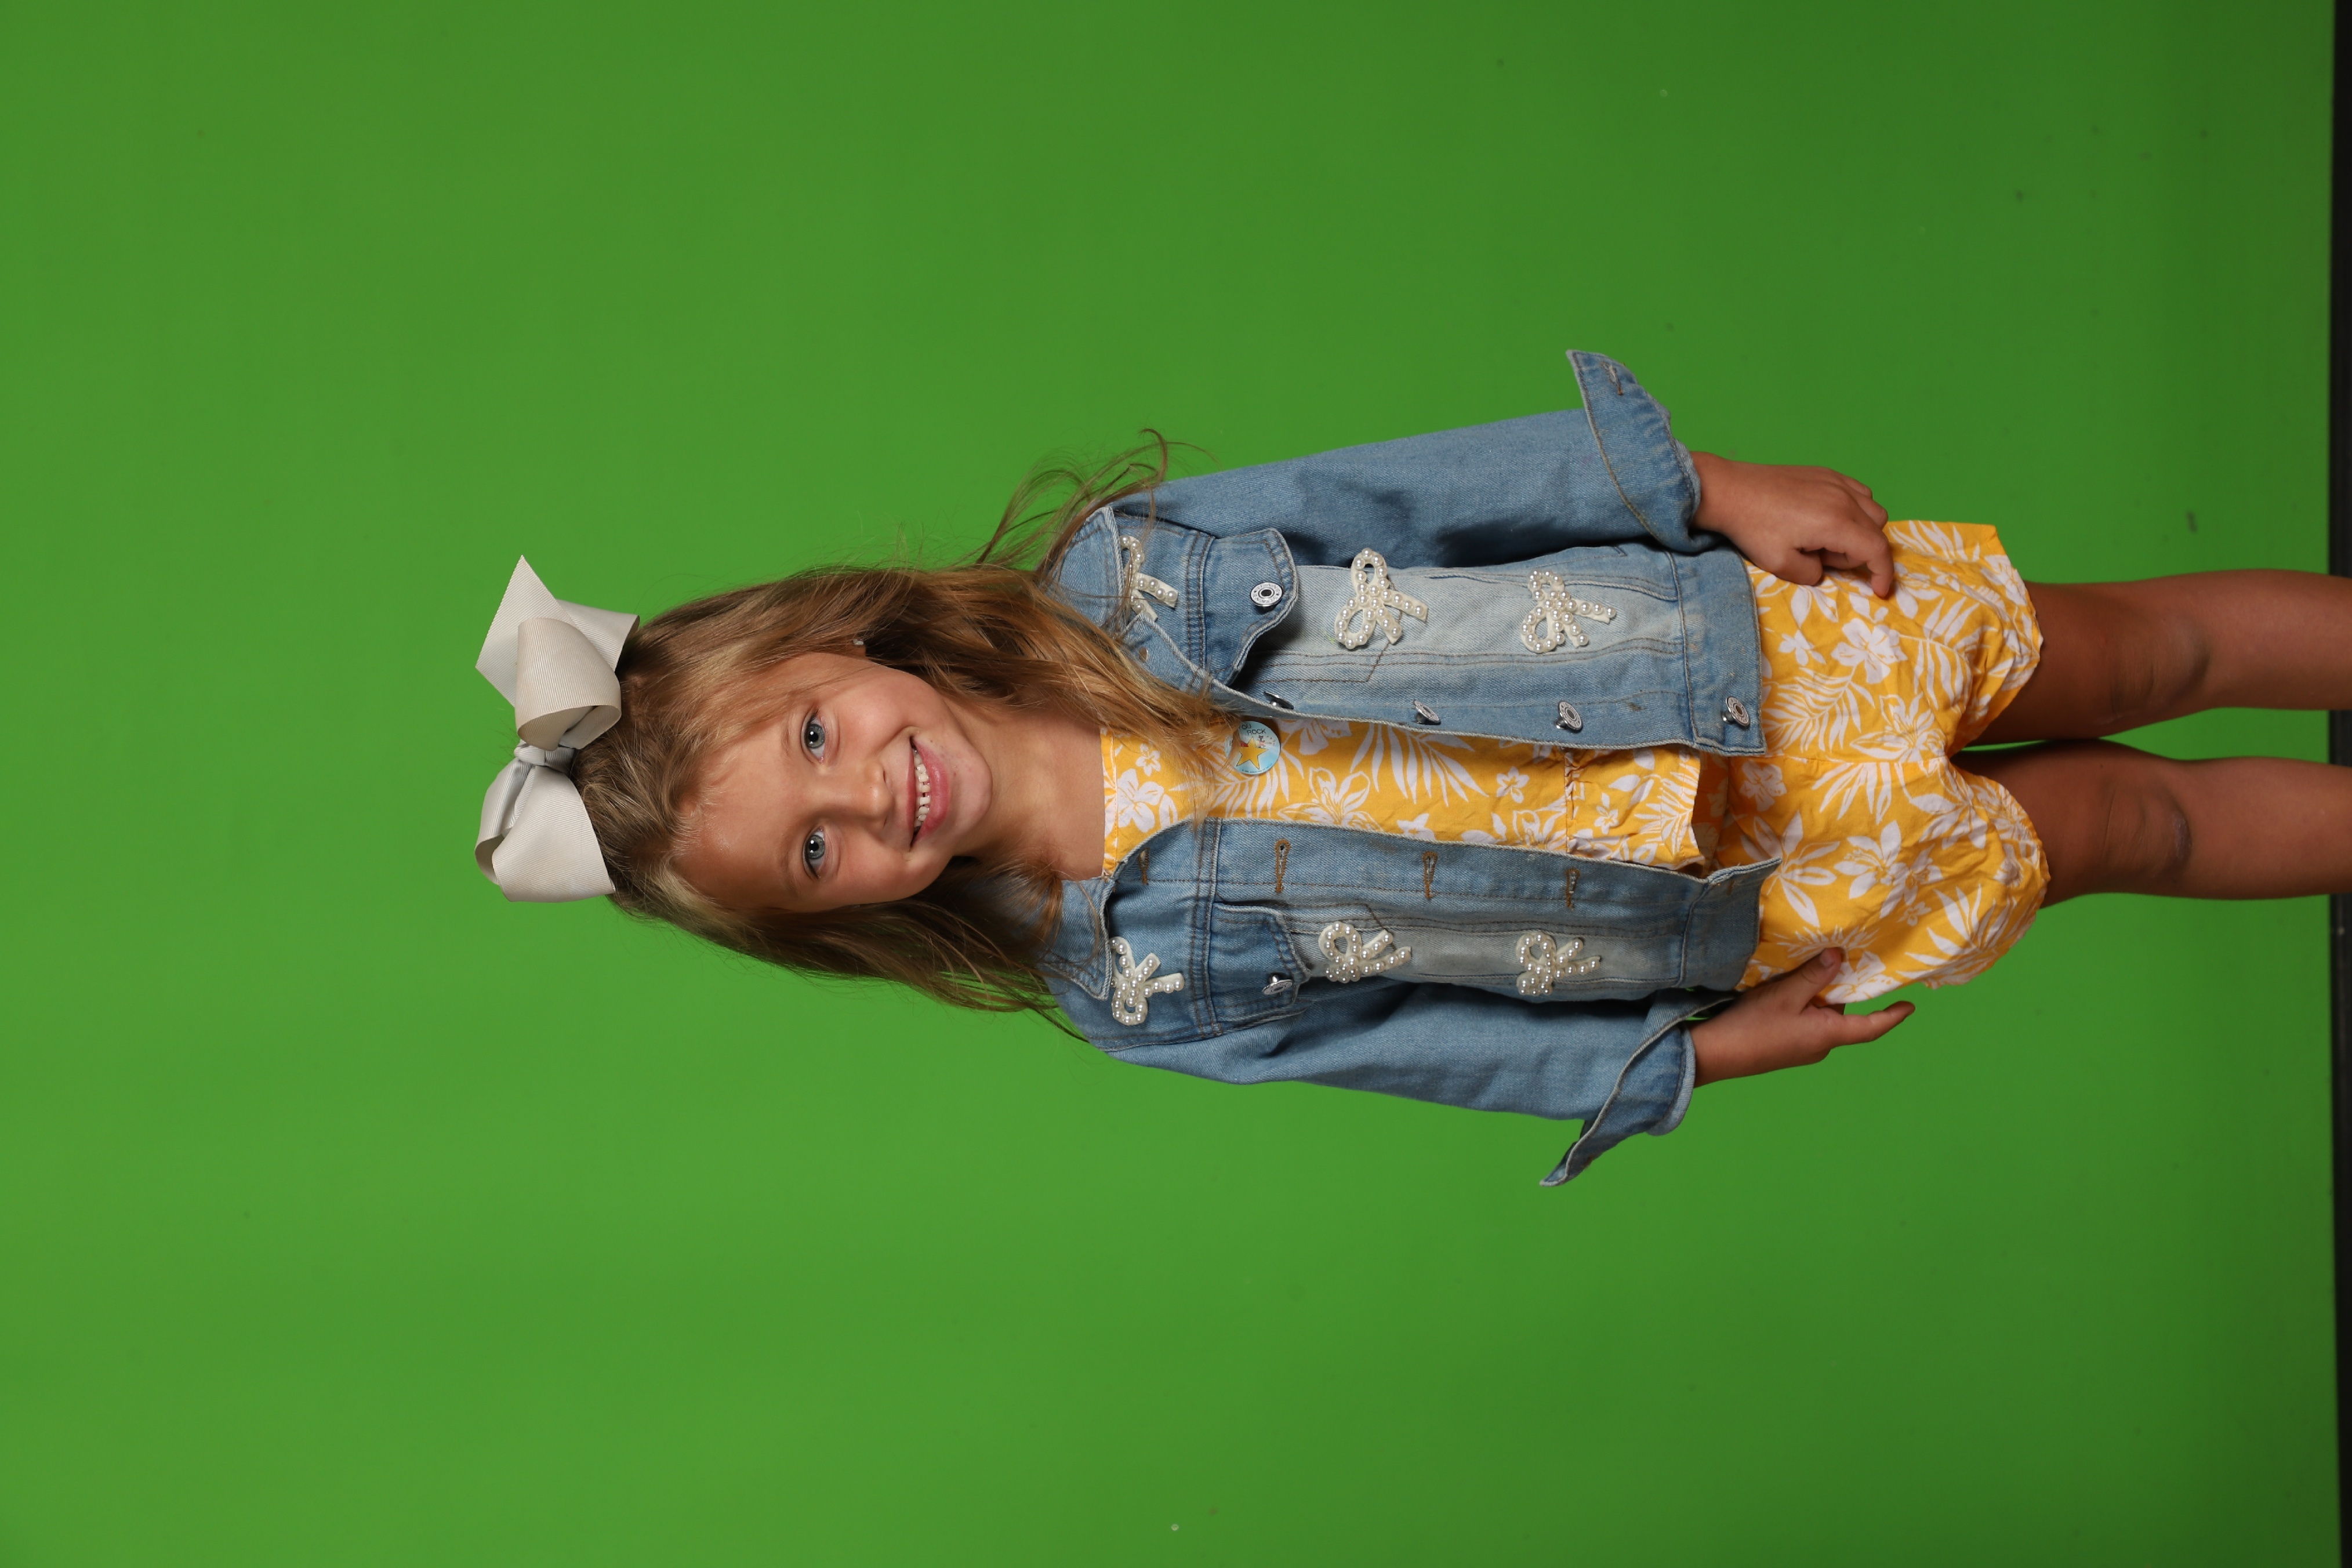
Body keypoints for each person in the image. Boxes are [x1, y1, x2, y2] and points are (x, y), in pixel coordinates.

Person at [470, 352, 2352, 1184]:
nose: (866, 795)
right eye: (814, 853)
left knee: (2145, 649)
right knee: (2133, 820)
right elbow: (1412, 1047)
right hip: (1722, 891)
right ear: (839, 921)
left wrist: (1695, 487)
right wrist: (1677, 1061)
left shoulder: (1126, 576)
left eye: (815, 740)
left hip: (1741, 651)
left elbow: (1422, 500)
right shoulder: (1127, 988)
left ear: (836, 644)